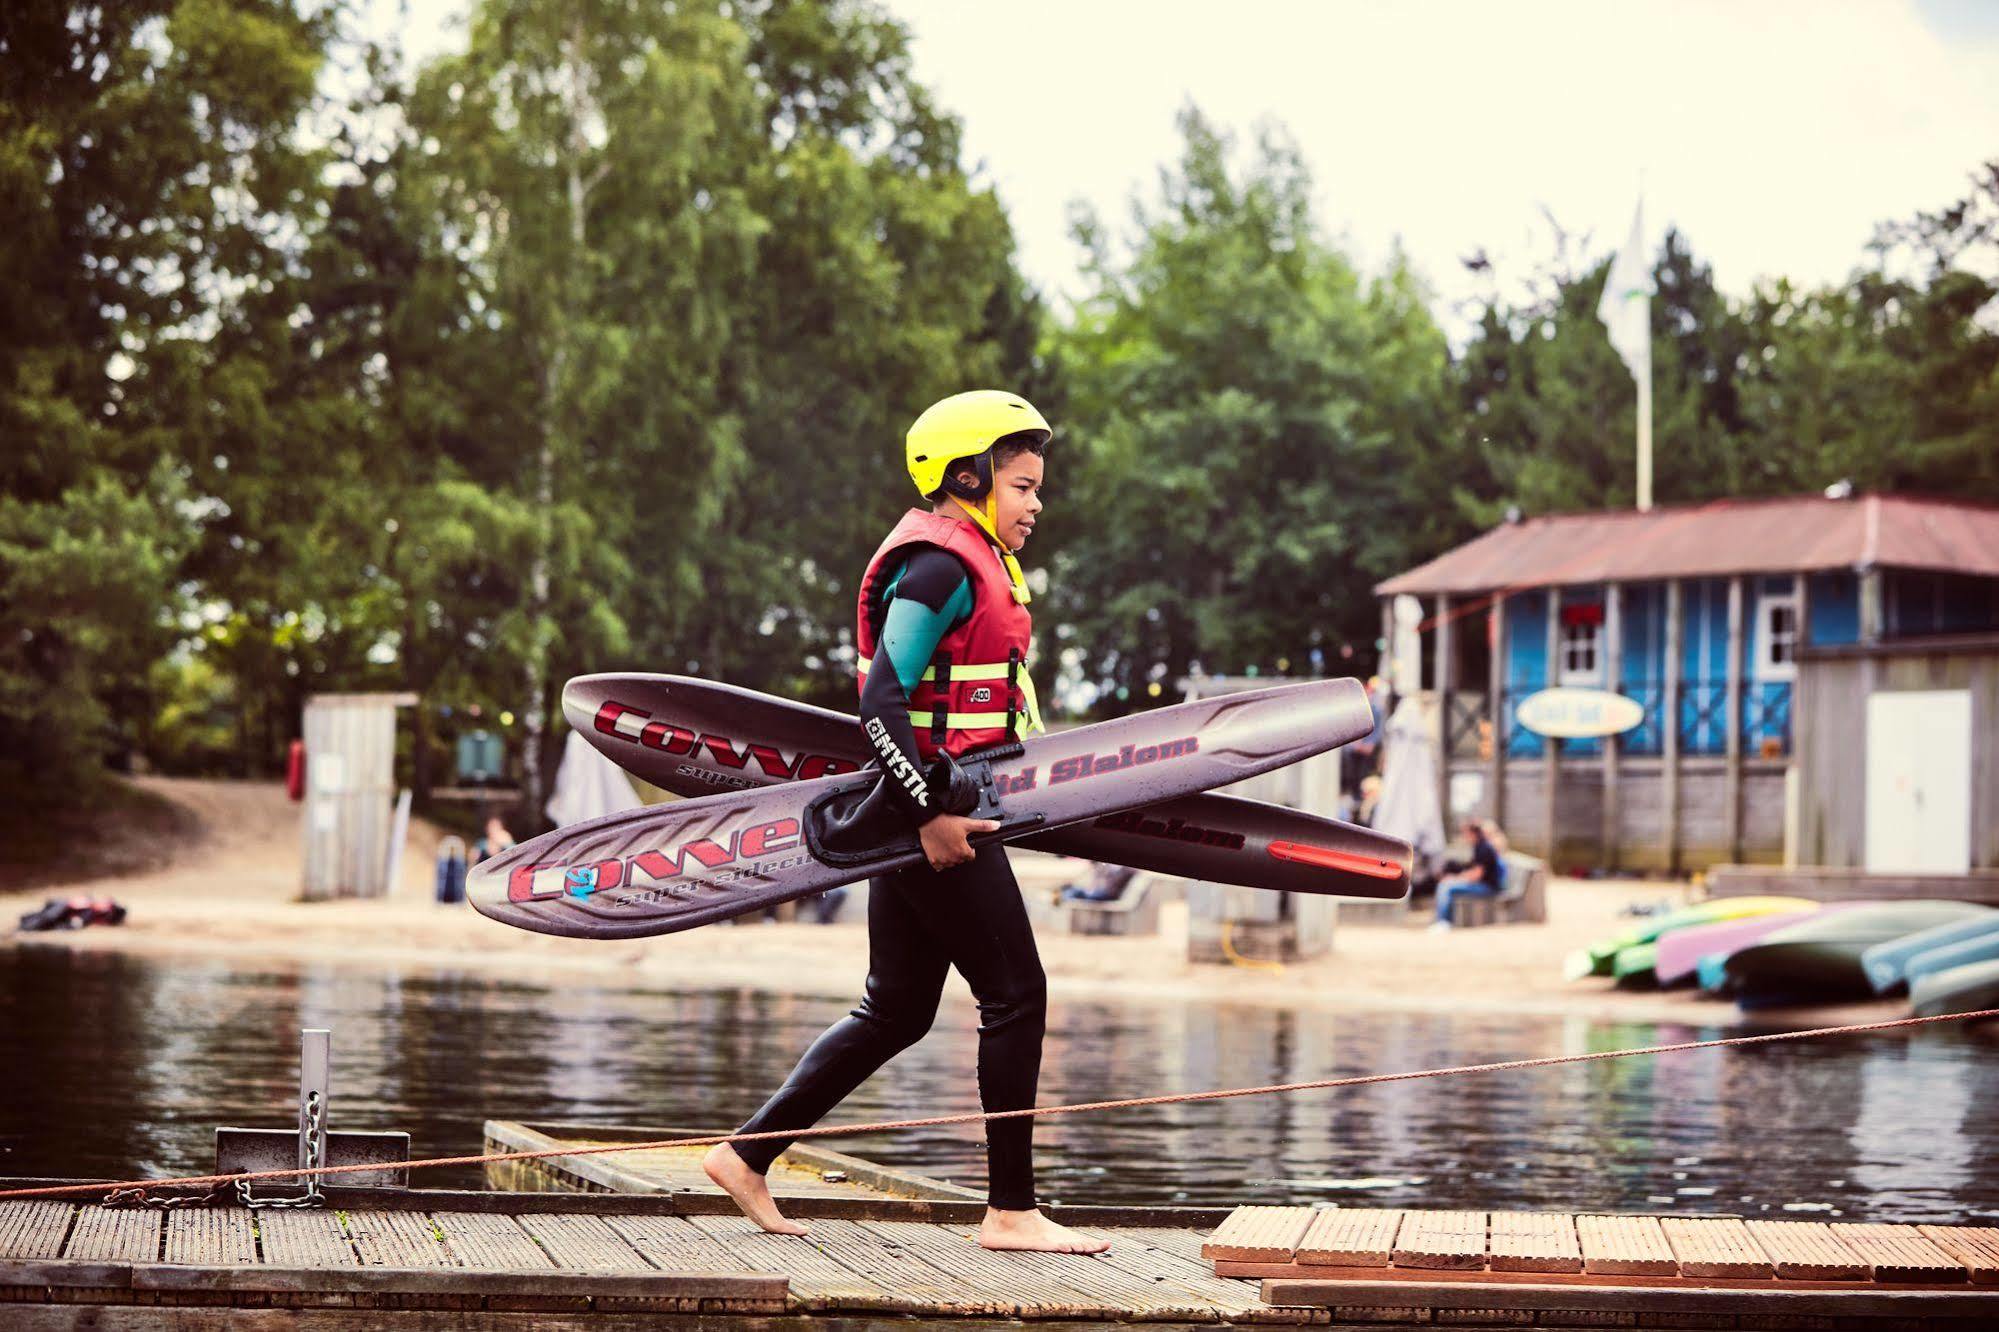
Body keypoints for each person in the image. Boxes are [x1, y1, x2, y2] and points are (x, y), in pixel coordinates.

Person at [702, 390, 1107, 1255]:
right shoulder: (938, 567)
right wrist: (929, 814)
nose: (1037, 504)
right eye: (1024, 485)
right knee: (1015, 994)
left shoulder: (967, 560)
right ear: (968, 474)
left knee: (896, 1009)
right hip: (932, 818)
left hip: (919, 809)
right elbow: (879, 700)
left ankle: (747, 1155)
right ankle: (1009, 1212)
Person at [1429, 816, 1504, 931]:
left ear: (1472, 833)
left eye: (1465, 833)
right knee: (1447, 884)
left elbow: (1477, 875)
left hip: (1488, 887)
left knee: (1445, 887)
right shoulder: (1479, 846)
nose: (1464, 836)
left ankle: (1443, 922)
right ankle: (1445, 921)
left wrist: (1455, 878)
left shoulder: (1484, 848)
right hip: (1484, 885)